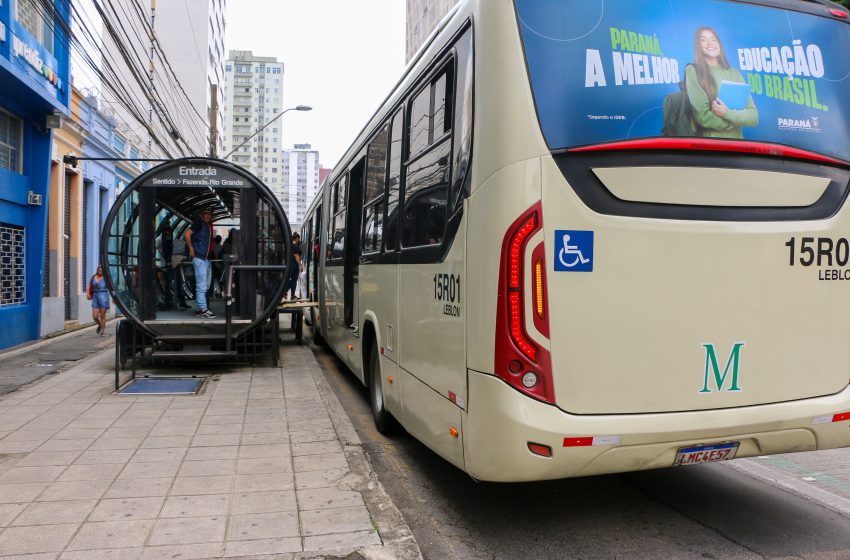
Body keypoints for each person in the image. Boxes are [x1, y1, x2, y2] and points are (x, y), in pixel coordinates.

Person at [686, 27, 758, 138]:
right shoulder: (693, 71)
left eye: (714, 39)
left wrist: (726, 113)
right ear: (698, 46)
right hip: (711, 146)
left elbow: (753, 117)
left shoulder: (734, 73)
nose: (710, 43)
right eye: (703, 40)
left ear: (719, 44)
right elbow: (703, 117)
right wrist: (734, 121)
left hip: (738, 145)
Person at [184, 209, 216, 318]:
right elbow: (187, 234)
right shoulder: (199, 222)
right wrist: (191, 249)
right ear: (203, 214)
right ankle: (203, 309)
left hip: (205, 259)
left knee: (205, 285)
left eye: (210, 215)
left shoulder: (206, 225)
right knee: (202, 285)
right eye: (207, 214)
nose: (209, 216)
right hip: (199, 257)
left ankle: (199, 309)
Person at [87, 265, 110, 336]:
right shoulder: (93, 277)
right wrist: (88, 294)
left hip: (104, 297)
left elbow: (111, 288)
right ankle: (100, 324)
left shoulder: (106, 278)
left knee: (102, 316)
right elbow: (89, 286)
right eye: (99, 270)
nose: (100, 272)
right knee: (95, 317)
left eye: (102, 271)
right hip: (95, 297)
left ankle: (102, 331)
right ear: (97, 270)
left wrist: (114, 298)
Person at [286, 232, 302, 300]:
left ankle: (291, 294)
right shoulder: (295, 246)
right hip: (294, 265)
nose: (299, 240)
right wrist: (300, 265)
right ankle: (286, 292)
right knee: (294, 280)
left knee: (292, 280)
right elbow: (296, 256)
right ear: (297, 238)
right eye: (299, 238)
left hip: (289, 265)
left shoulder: (290, 245)